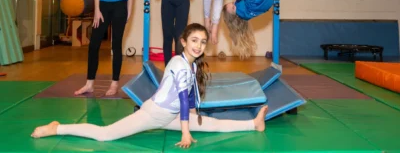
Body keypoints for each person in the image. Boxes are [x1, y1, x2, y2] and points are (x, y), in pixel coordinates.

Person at [31, 23, 269, 149]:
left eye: (203, 42)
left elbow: (190, 98)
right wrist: (186, 131)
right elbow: (184, 99)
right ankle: (58, 128)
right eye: (194, 40)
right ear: (183, 42)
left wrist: (194, 119)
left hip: (170, 115)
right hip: (154, 114)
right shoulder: (179, 63)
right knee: (105, 135)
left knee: (211, 124)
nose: (198, 46)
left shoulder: (193, 65)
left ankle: (253, 123)